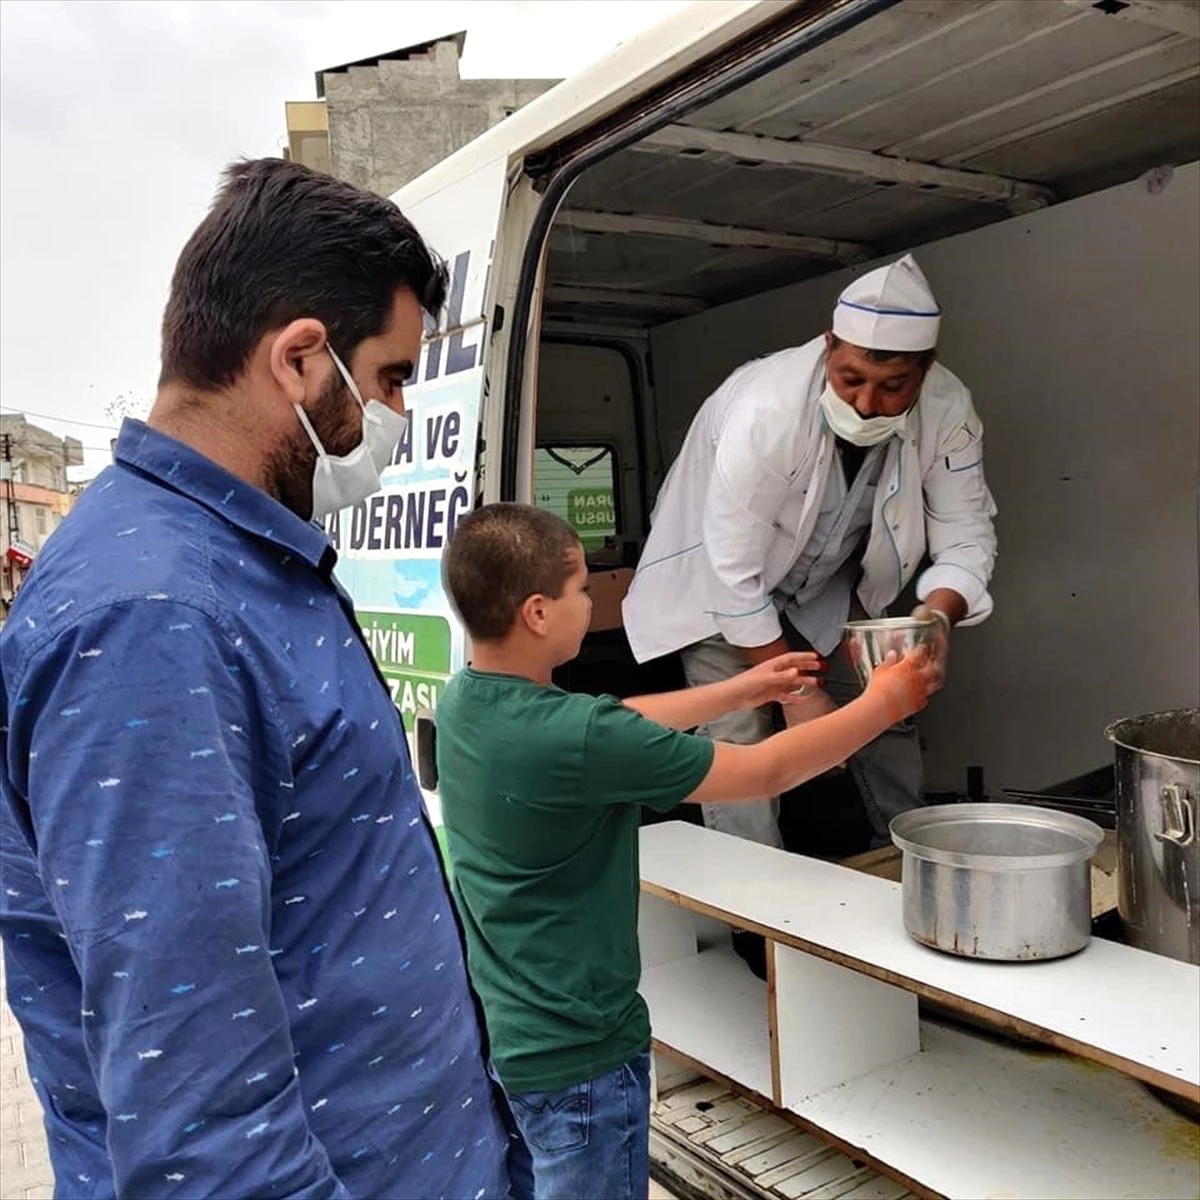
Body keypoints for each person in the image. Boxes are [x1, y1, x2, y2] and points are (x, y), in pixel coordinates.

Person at [0, 159, 526, 1200]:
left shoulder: (231, 560)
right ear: (298, 358)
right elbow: (202, 1124)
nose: (399, 416)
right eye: (390, 379)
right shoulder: (155, 620)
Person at [434, 503, 938, 1200]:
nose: (592, 599)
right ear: (539, 613)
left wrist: (740, 687)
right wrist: (885, 702)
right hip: (585, 1056)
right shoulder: (574, 738)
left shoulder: (468, 700)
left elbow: (614, 723)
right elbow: (765, 772)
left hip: (517, 1038)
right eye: (582, 589)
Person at [622, 254, 997, 852]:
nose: (866, 404)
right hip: (723, 597)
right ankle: (753, 914)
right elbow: (731, 574)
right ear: (829, 346)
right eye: (851, 379)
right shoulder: (767, 409)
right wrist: (798, 692)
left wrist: (936, 618)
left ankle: (908, 860)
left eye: (892, 386)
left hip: (822, 589)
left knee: (886, 708)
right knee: (739, 745)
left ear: (925, 368)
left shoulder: (948, 407)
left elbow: (967, 531)